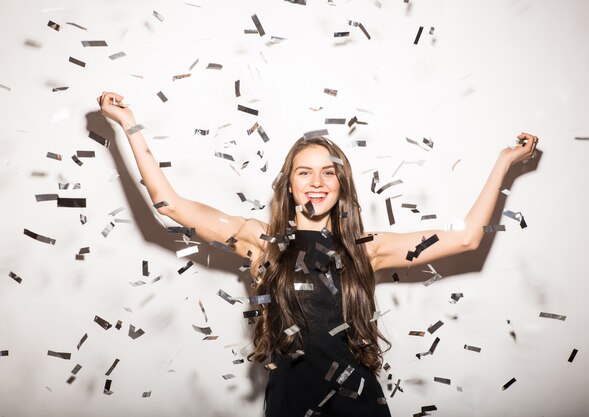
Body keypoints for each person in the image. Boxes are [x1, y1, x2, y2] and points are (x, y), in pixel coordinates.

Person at [97, 91, 538, 417]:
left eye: (328, 172)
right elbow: (168, 203)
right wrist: (128, 123)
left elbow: (464, 239)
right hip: (290, 403)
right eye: (304, 172)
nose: (317, 181)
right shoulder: (260, 240)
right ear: (289, 185)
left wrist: (503, 163)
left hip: (358, 404)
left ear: (340, 185)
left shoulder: (367, 249)